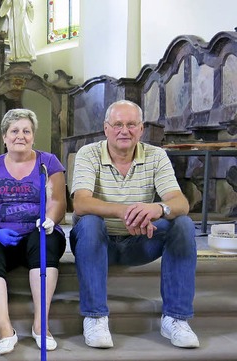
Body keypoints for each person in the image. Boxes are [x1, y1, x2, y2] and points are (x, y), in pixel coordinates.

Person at [70, 100, 200, 349]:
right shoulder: (89, 153)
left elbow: (180, 202)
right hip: (98, 243)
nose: (124, 130)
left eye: (131, 124)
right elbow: (80, 202)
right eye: (117, 124)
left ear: (141, 129)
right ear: (106, 128)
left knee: (182, 223)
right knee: (88, 222)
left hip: (141, 241)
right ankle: (95, 317)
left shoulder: (156, 155)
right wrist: (126, 212)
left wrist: (158, 208)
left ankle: (176, 319)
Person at [0, 109, 66, 355]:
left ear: (34, 136)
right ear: (4, 136)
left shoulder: (49, 163)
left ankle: (40, 325)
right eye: (14, 131)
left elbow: (58, 200)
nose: (20, 136)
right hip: (2, 237)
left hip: (38, 234)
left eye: (26, 131)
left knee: (46, 239)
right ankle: (4, 329)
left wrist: (49, 219)